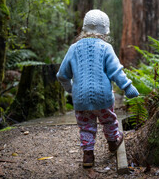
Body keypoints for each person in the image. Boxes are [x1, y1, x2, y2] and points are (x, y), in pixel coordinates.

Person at [56, 9, 139, 168]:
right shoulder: (106, 47)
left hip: (80, 98)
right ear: (105, 31)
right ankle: (113, 142)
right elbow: (116, 72)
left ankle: (88, 155)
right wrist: (128, 88)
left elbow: (62, 75)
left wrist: (71, 89)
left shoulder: (73, 48)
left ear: (84, 29)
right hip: (103, 97)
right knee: (108, 120)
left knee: (86, 126)